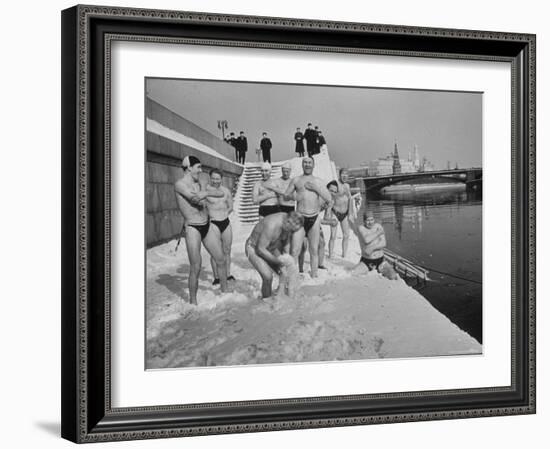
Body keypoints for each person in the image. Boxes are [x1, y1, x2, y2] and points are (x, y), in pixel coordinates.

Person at [174, 156, 228, 305]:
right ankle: (193, 302)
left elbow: (220, 193)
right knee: (196, 266)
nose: (201, 170)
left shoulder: (199, 184)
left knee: (221, 259)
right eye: (198, 167)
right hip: (193, 228)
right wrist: (204, 193)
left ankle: (225, 292)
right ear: (189, 167)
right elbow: (194, 200)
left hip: (206, 225)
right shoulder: (180, 184)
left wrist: (205, 192)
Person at [283, 157, 332, 278]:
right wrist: (294, 196)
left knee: (314, 250)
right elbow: (285, 195)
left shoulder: (318, 181)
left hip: (314, 218)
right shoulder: (296, 180)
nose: (307, 164)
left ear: (313, 165)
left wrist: (316, 188)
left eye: (310, 162)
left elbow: (329, 198)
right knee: (295, 250)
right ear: (302, 165)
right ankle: (292, 276)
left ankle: (314, 275)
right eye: (305, 162)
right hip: (300, 219)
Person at [245, 211, 304, 299]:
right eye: (292, 230)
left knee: (286, 273)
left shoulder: (288, 221)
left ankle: (280, 296)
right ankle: (266, 301)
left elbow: (285, 242)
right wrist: (277, 262)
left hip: (271, 247)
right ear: (288, 222)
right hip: (254, 248)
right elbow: (260, 249)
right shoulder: (272, 225)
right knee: (268, 276)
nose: (291, 232)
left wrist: (287, 262)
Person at [205, 169, 235, 285]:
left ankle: (227, 274)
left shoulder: (225, 191)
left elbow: (231, 206)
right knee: (215, 252)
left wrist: (225, 213)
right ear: (210, 178)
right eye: (213, 178)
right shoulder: (206, 191)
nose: (215, 181)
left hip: (225, 222)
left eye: (218, 179)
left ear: (221, 179)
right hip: (213, 223)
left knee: (227, 250)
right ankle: (217, 277)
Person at [348, 212, 399, 280]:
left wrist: (371, 248)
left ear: (374, 220)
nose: (370, 222)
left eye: (372, 220)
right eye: (368, 220)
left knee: (393, 276)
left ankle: (380, 269)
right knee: (352, 274)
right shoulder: (361, 228)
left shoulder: (378, 226)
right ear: (364, 221)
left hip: (380, 260)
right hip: (366, 261)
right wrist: (378, 232)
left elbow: (383, 243)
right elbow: (367, 240)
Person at [323, 180, 351, 259]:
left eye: (334, 191)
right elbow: (326, 216)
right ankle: (331, 254)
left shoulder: (345, 190)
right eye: (331, 190)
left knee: (346, 235)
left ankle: (344, 254)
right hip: (335, 213)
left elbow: (350, 201)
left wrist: (350, 213)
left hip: (344, 214)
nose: (333, 192)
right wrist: (329, 218)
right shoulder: (331, 197)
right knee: (333, 235)